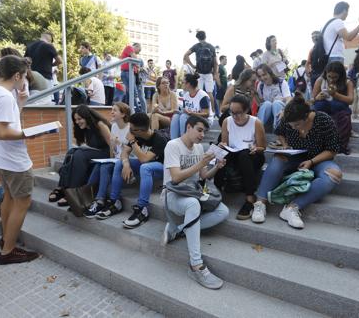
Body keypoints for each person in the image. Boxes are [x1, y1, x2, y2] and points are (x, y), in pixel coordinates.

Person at [0, 55, 39, 264]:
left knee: (9, 198)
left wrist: (20, 103)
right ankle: (8, 252)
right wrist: (28, 134)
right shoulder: (4, 97)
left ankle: (6, 239)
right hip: (13, 161)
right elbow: (2, 132)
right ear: (16, 75)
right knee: (22, 201)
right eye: (24, 77)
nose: (24, 82)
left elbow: (5, 124)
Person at [254, 92, 342, 228]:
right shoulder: (289, 119)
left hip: (318, 160)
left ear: (307, 117)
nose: (294, 128)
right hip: (295, 157)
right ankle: (260, 203)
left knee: (334, 174)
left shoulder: (324, 120)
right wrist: (285, 145)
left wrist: (311, 162)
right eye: (291, 126)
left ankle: (292, 208)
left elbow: (332, 150)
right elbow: (280, 132)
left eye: (297, 125)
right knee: (278, 158)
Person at [162, 115, 229, 289]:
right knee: (193, 204)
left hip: (193, 192)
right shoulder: (173, 145)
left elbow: (204, 176)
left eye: (204, 132)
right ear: (188, 127)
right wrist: (201, 164)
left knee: (223, 212)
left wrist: (216, 167)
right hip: (173, 194)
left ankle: (178, 229)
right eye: (199, 130)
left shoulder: (199, 148)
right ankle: (196, 265)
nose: (201, 135)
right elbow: (175, 178)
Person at [97, 112, 167, 228]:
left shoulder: (160, 139)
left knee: (145, 167)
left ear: (140, 130)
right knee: (120, 163)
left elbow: (144, 160)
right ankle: (115, 202)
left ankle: (142, 208)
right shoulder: (136, 135)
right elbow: (124, 153)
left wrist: (133, 142)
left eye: (132, 129)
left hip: (161, 169)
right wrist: (126, 164)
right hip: (146, 167)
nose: (129, 131)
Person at [215, 95, 266, 222]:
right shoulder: (227, 121)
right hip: (234, 153)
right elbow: (225, 143)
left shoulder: (256, 122)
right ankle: (215, 192)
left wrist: (255, 149)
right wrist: (221, 146)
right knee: (221, 155)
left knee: (244, 155)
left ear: (246, 110)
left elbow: (262, 147)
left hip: (252, 156)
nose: (235, 116)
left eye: (238, 113)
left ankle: (250, 198)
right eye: (232, 112)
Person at [48, 105, 111, 205]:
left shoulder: (100, 125)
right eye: (75, 120)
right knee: (71, 152)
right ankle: (61, 187)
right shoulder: (85, 128)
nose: (77, 122)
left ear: (87, 117)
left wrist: (112, 161)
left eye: (79, 119)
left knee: (79, 155)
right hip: (96, 152)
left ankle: (73, 192)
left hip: (106, 154)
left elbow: (111, 145)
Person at [83, 102, 131, 218]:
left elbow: (132, 151)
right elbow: (113, 151)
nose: (111, 112)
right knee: (99, 165)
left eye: (115, 110)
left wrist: (119, 142)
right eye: (112, 109)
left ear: (123, 114)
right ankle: (87, 197)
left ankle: (97, 201)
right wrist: (113, 147)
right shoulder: (113, 126)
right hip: (116, 159)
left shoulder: (130, 128)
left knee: (104, 167)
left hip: (127, 160)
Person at [312, 62, 355, 154]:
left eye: (335, 77)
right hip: (323, 109)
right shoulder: (320, 80)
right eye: (329, 77)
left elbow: (350, 100)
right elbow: (313, 99)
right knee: (318, 108)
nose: (331, 80)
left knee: (342, 112)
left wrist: (335, 94)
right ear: (326, 74)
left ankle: (341, 145)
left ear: (341, 75)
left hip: (340, 110)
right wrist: (318, 97)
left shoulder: (347, 82)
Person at [183, 30, 220, 111]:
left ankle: (199, 109)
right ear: (205, 36)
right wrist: (215, 74)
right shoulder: (211, 47)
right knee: (210, 93)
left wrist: (192, 65)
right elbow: (216, 63)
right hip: (209, 73)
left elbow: (185, 55)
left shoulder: (196, 46)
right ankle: (212, 111)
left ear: (197, 38)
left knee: (198, 92)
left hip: (199, 73)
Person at [170, 74, 214, 139]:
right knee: (176, 116)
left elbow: (206, 114)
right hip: (191, 118)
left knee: (183, 117)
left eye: (183, 82)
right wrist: (179, 111)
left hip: (205, 121)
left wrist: (191, 113)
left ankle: (184, 140)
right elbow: (185, 110)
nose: (181, 84)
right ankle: (173, 141)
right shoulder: (186, 95)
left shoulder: (202, 96)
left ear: (189, 84)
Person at [24, 31, 62, 103]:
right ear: (50, 39)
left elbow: (26, 61)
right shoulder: (49, 46)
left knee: (34, 100)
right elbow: (59, 61)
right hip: (45, 77)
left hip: (33, 77)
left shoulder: (30, 46)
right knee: (46, 101)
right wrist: (51, 65)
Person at [255, 64, 291, 130]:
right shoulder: (260, 85)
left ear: (270, 73)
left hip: (281, 110)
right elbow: (261, 103)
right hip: (268, 112)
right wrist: (254, 96)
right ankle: (258, 129)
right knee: (267, 104)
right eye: (260, 76)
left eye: (264, 75)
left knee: (276, 103)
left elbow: (288, 99)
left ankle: (279, 129)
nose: (262, 78)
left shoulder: (281, 82)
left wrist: (284, 111)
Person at [119, 43, 145, 112]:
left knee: (129, 93)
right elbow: (135, 59)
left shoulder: (130, 53)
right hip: (127, 72)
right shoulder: (129, 47)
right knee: (133, 92)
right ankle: (136, 111)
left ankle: (126, 109)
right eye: (138, 50)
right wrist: (138, 65)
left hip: (129, 73)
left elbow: (136, 65)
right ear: (136, 46)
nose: (138, 53)